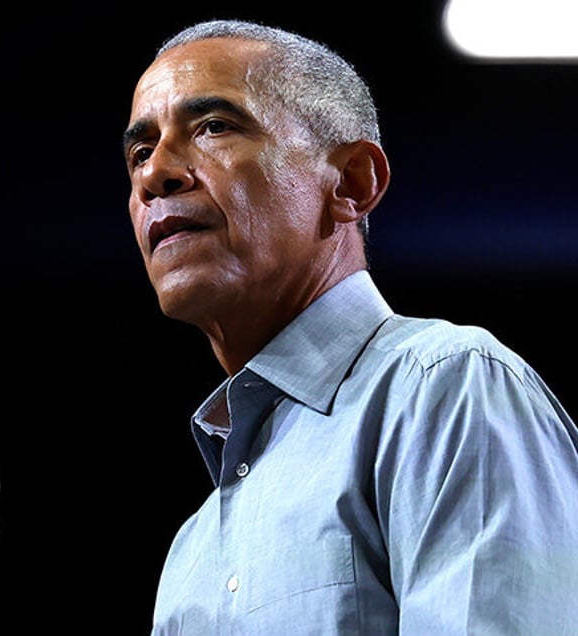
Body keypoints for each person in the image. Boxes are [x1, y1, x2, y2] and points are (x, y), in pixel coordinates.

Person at [121, 18, 578, 635]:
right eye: (140, 151)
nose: (156, 175)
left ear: (351, 183)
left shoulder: (442, 390)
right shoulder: (192, 552)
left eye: (214, 127)